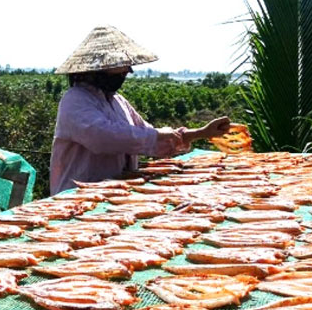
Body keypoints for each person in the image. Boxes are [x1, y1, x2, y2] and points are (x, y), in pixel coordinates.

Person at [49, 25, 232, 194]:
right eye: (120, 67)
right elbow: (103, 138)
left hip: (113, 193)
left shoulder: (118, 101)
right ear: (100, 68)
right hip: (77, 194)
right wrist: (156, 134)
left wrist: (201, 132)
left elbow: (150, 138)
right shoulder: (75, 100)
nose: (127, 71)